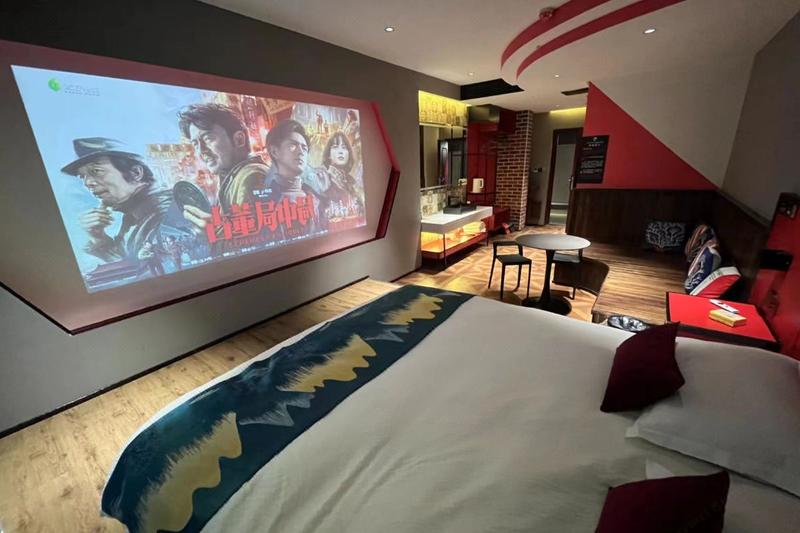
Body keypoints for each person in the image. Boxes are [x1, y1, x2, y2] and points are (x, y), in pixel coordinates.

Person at [61, 137, 172, 263]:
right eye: (82, 176)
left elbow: (151, 267)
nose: (88, 183)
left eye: (96, 171)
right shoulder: (134, 217)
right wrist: (99, 238)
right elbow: (128, 262)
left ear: (135, 173)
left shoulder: (165, 213)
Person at [177, 103, 269, 244]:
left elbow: (259, 243)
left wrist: (214, 234)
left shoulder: (251, 177)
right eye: (195, 144)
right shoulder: (231, 177)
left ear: (239, 139)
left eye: (208, 138)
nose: (201, 151)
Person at [263, 119, 322, 237]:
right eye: (292, 145)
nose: (301, 152)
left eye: (304, 148)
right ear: (274, 152)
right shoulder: (267, 201)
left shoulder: (313, 195)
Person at [320, 132, 364, 219]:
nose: (340, 152)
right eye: (335, 147)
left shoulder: (351, 182)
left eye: (344, 147)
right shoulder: (323, 179)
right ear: (328, 155)